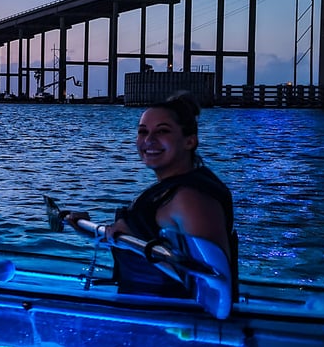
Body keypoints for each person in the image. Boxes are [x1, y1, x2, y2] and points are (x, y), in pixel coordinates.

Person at [67, 92, 238, 299]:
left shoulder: (191, 199)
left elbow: (214, 282)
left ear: (190, 141)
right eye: (142, 132)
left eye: (162, 131)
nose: (149, 140)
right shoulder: (169, 190)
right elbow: (156, 242)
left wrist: (133, 236)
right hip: (146, 313)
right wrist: (89, 229)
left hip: (173, 321)